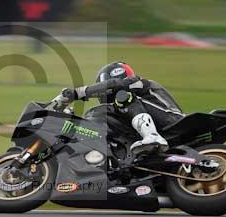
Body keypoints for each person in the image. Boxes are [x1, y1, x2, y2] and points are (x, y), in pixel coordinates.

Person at [51, 62, 184, 154]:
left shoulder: (138, 83)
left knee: (123, 97)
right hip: (159, 126)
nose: (103, 91)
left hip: (172, 121)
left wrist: (77, 93)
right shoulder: (131, 109)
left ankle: (152, 136)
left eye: (103, 85)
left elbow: (115, 85)